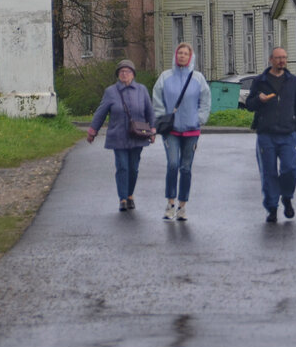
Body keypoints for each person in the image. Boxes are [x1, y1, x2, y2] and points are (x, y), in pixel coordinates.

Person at [244, 47, 296, 223]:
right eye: (278, 58)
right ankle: (271, 208)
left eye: (284, 58)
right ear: (271, 59)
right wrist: (259, 100)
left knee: (290, 168)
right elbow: (249, 104)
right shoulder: (260, 81)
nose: (281, 61)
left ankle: (287, 197)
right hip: (266, 134)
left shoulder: (292, 81)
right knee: (268, 172)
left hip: (288, 133)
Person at [152, 42, 211, 222]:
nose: (182, 56)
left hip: (191, 131)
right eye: (180, 53)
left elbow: (205, 100)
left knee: (186, 168)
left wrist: (199, 119)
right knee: (172, 164)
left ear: (191, 57)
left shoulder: (198, 78)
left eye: (186, 54)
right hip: (171, 130)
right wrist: (162, 117)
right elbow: (157, 98)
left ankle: (182, 206)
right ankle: (170, 203)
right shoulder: (165, 77)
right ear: (175, 56)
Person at [86, 59, 155, 212]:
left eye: (128, 71)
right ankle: (122, 198)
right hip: (118, 136)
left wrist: (153, 129)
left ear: (133, 74)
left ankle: (130, 195)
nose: (125, 74)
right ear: (118, 75)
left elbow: (149, 111)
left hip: (138, 135)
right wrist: (93, 131)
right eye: (122, 72)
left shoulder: (142, 90)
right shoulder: (111, 92)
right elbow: (101, 112)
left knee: (134, 168)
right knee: (122, 166)